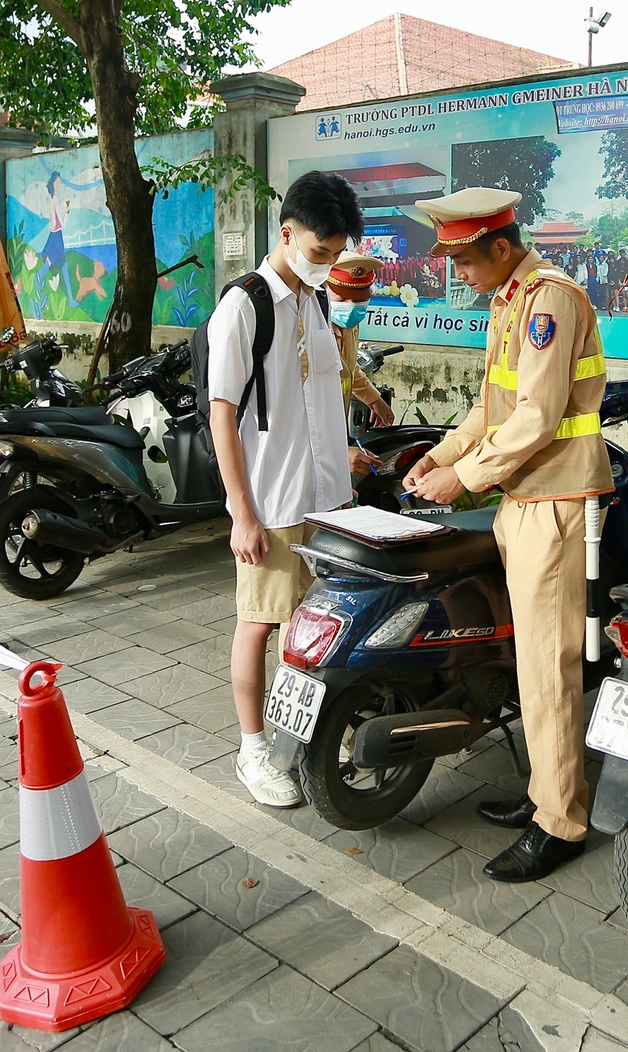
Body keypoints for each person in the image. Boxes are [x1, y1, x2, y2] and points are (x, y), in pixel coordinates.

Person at [402, 186, 611, 882]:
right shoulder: (510, 302)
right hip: (526, 496)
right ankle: (546, 793)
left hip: (554, 498)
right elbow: (492, 406)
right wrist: (441, 452)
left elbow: (537, 418)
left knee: (550, 666)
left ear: (500, 247)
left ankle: (562, 822)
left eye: (464, 259)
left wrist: (464, 477)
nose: (456, 273)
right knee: (533, 663)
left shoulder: (548, 299)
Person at [208, 171, 363, 808]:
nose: (327, 264)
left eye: (336, 253)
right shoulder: (245, 305)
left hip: (330, 499)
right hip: (272, 504)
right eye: (319, 252)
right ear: (287, 232)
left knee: (322, 625)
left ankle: (316, 732)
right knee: (259, 625)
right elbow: (222, 413)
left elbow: (324, 390)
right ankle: (252, 751)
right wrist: (242, 513)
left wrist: (347, 447)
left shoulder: (318, 302)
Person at [327, 253, 394, 478]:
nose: (350, 306)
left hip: (335, 431)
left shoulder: (351, 326)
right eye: (342, 298)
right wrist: (336, 452)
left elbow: (348, 369)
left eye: (358, 300)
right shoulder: (308, 329)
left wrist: (375, 400)